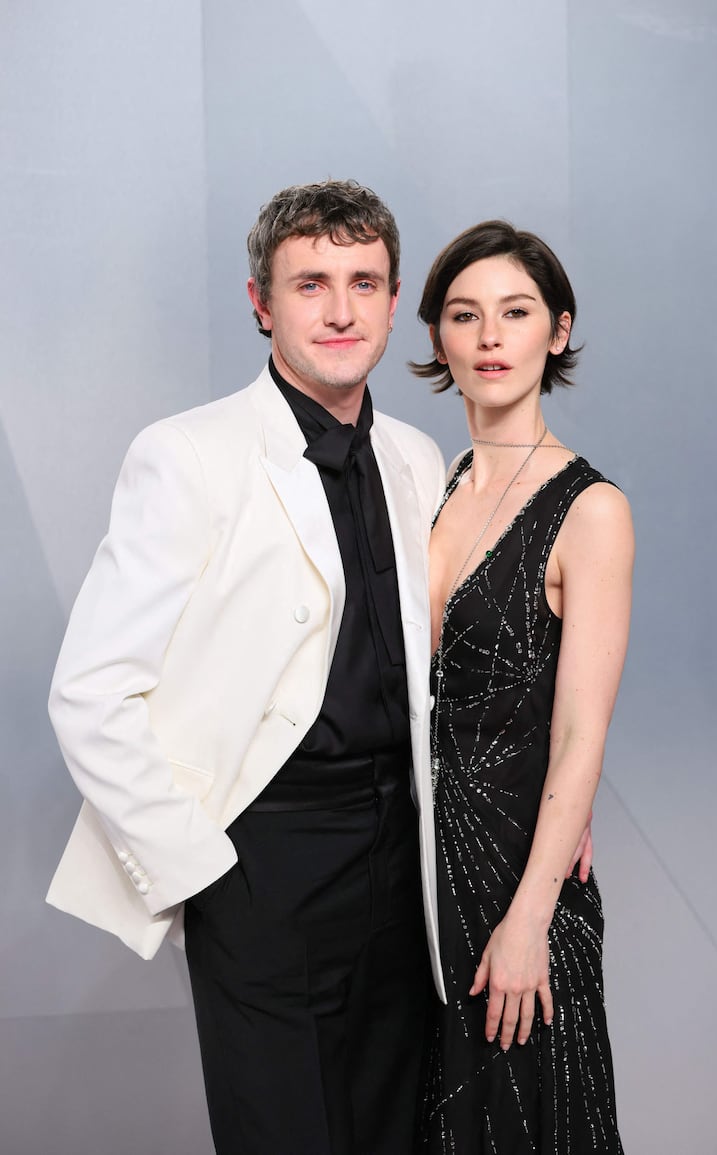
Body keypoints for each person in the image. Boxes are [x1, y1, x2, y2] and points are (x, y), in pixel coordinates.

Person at [45, 179, 449, 1155]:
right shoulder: (186, 455)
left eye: (364, 282)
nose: (342, 309)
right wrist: (206, 875)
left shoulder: (416, 454)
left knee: (400, 1126)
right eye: (311, 283)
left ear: (395, 302)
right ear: (260, 303)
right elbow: (90, 693)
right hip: (266, 857)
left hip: (406, 855)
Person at [411, 220, 634, 1152]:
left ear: (558, 329)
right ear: (437, 341)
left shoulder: (592, 510)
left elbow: (582, 733)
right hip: (414, 870)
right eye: (466, 315)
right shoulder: (420, 478)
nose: (490, 337)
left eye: (516, 312)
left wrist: (532, 915)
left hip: (516, 879)